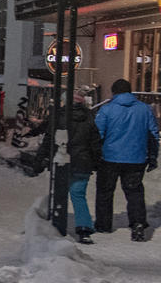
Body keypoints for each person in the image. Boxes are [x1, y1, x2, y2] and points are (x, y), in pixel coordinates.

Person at [94, 78, 159, 242]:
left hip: (109, 157)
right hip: (137, 158)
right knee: (134, 192)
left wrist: (95, 155)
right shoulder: (145, 109)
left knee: (105, 191)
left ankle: (103, 224)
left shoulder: (107, 109)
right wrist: (152, 156)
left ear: (114, 92)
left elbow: (97, 134)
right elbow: (153, 134)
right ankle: (137, 223)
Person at [36, 91, 102, 243]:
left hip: (63, 160)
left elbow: (49, 139)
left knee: (59, 194)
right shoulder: (89, 117)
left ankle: (56, 225)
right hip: (83, 162)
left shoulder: (59, 116)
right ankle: (84, 229)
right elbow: (95, 142)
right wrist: (97, 162)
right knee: (79, 196)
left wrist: (40, 159)